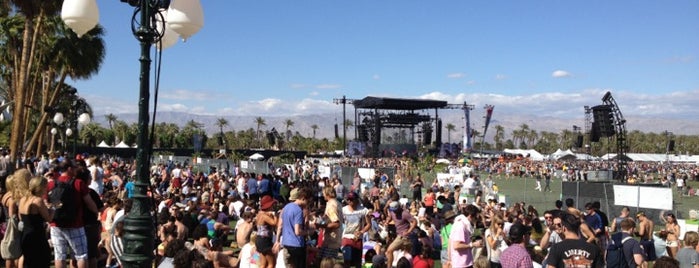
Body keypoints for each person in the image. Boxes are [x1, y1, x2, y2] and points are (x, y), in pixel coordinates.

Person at [48, 160, 99, 268]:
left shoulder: (51, 184)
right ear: (69, 169)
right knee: (81, 255)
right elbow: (89, 203)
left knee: (59, 255)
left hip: (56, 224)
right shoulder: (78, 183)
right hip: (75, 223)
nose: (76, 169)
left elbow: (48, 203)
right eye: (75, 167)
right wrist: (96, 211)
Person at [18, 176, 53, 268]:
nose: (47, 188)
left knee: (29, 262)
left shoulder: (23, 199)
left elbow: (20, 217)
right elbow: (49, 218)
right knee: (41, 262)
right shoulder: (38, 201)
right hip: (37, 237)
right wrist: (53, 208)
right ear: (41, 187)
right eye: (46, 186)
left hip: (25, 234)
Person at [277, 187, 313, 268]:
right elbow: (298, 231)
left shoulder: (286, 207)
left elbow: (280, 225)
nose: (308, 203)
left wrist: (277, 240)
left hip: (286, 244)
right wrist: (309, 232)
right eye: (308, 201)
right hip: (297, 245)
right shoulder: (298, 211)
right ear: (303, 198)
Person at [341, 191, 371, 268]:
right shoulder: (343, 210)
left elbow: (368, 224)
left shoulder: (364, 210)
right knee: (347, 260)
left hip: (358, 238)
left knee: (357, 262)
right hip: (346, 237)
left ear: (356, 199)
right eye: (348, 199)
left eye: (352, 199)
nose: (349, 201)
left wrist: (361, 231)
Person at [317, 186, 343, 262]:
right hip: (333, 240)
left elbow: (336, 223)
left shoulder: (331, 205)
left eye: (324, 193)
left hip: (331, 240)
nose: (323, 195)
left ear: (327, 193)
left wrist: (320, 226)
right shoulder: (337, 203)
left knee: (327, 263)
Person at [256, 195, 277, 268]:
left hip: (259, 239)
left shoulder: (259, 214)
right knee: (271, 263)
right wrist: (275, 215)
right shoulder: (264, 216)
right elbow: (274, 223)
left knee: (263, 264)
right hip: (265, 240)